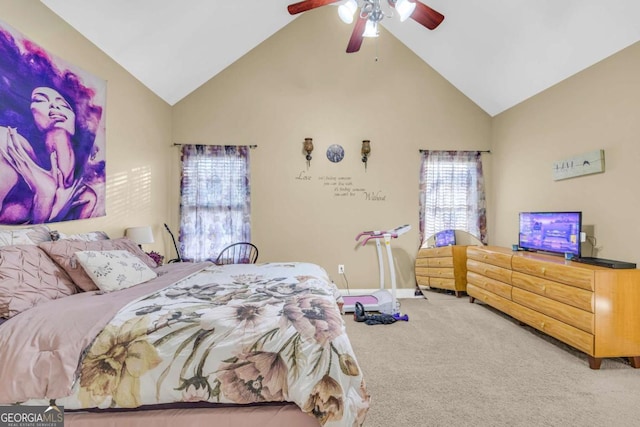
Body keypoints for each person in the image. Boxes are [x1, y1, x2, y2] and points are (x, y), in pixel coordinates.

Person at [0, 25, 104, 224]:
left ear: (76, 119)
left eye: (62, 104)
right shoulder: (9, 145)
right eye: (41, 99)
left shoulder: (86, 197)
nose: (54, 106)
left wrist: (46, 194)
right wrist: (44, 194)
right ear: (30, 114)